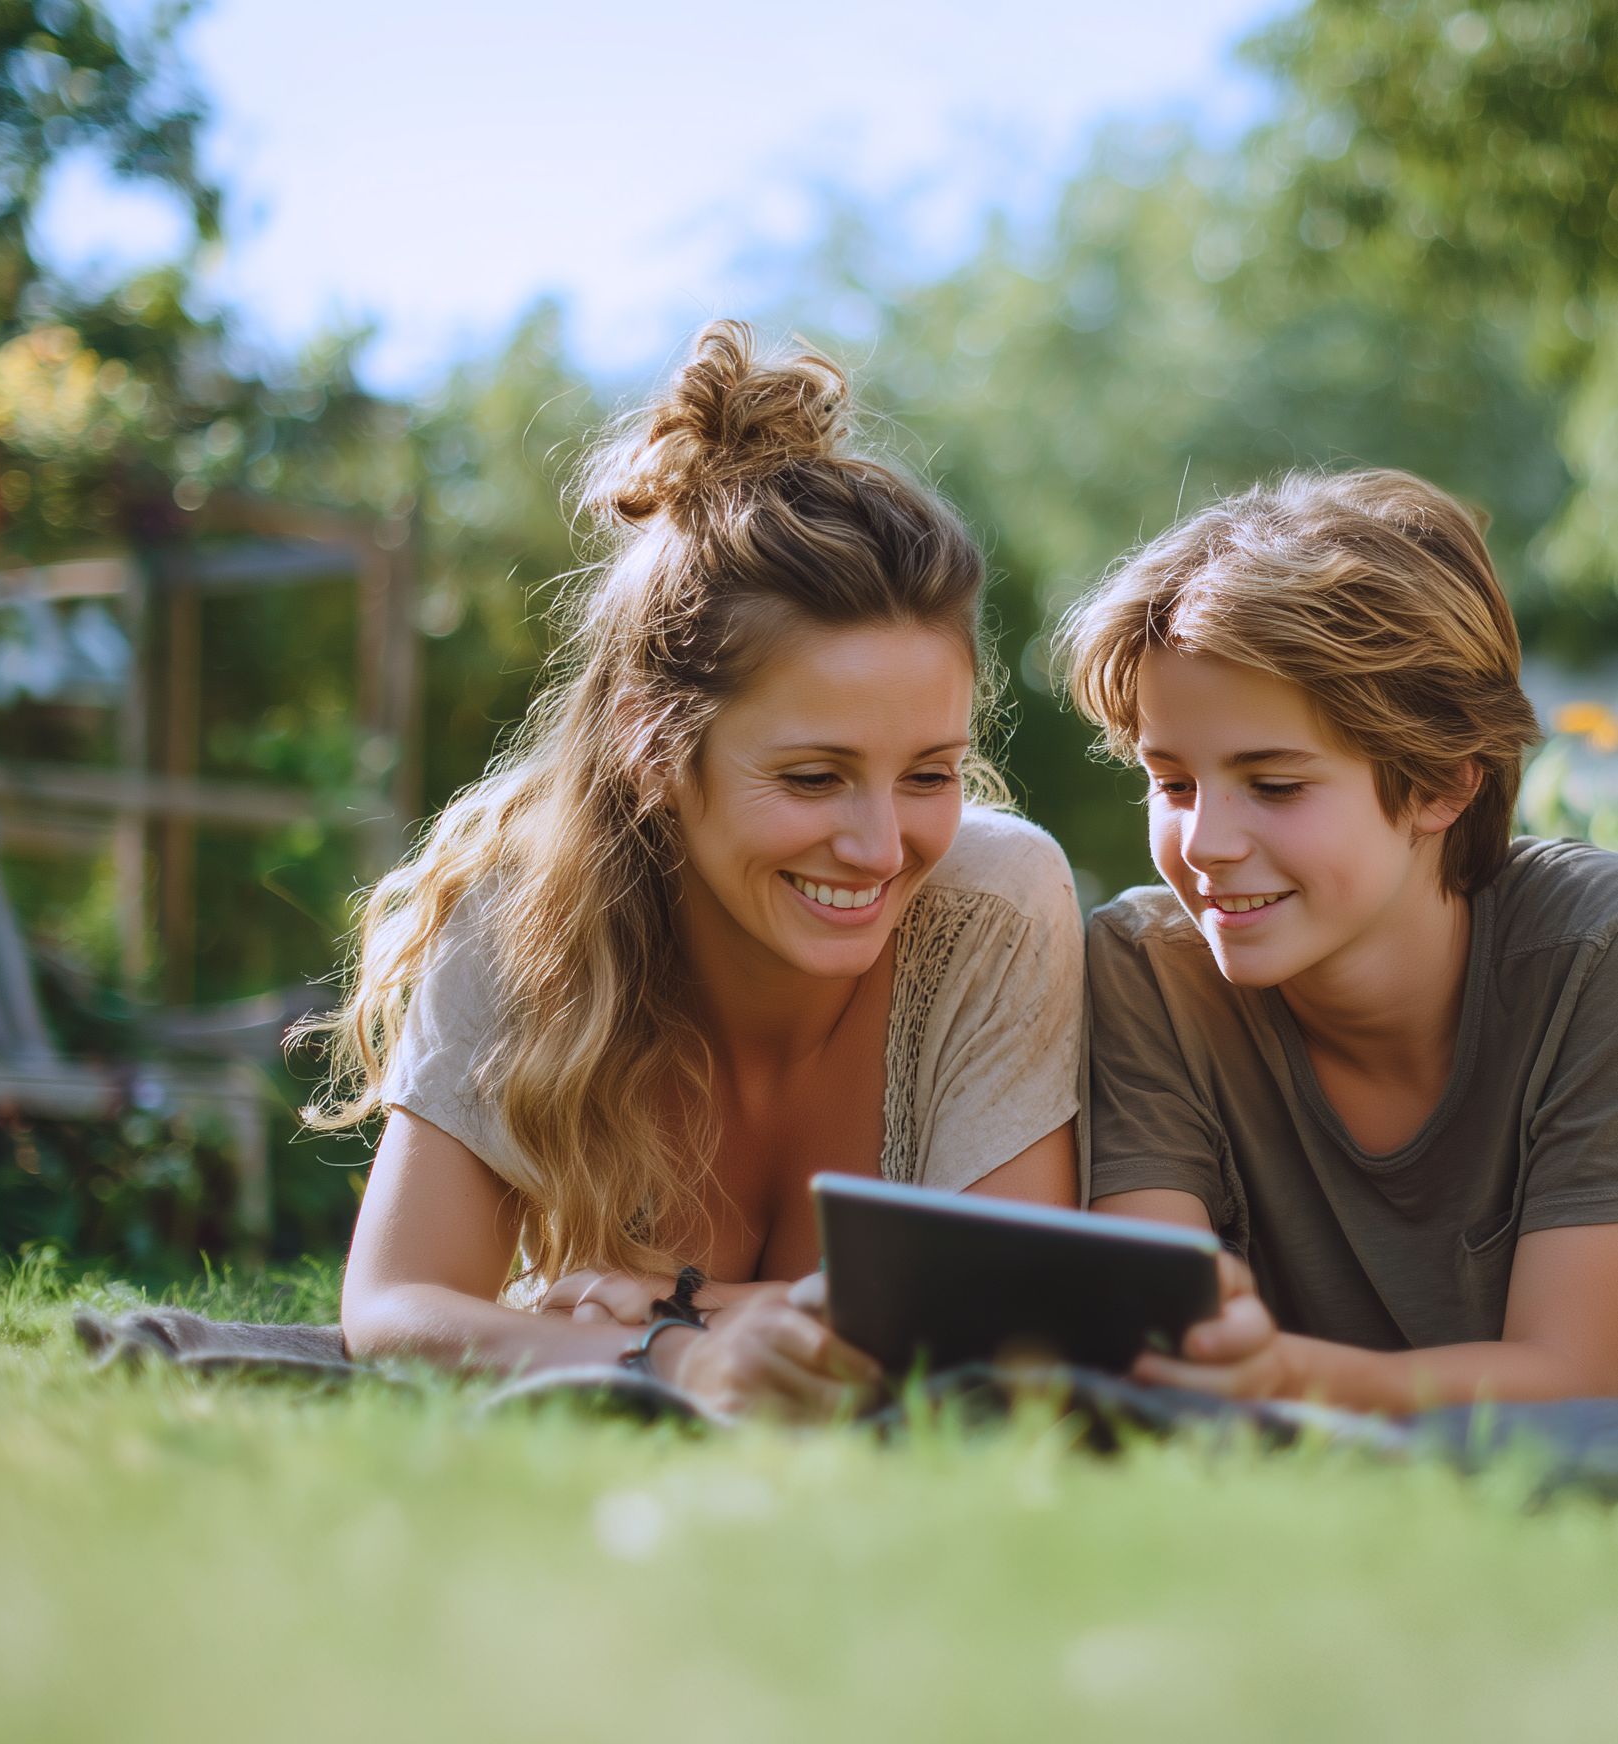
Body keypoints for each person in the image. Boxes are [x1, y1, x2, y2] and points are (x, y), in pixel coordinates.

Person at [307, 321, 1084, 1419]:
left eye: (928, 773)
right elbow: (394, 1308)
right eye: (814, 778)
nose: (879, 846)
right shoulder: (527, 907)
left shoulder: (996, 904)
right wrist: (671, 1361)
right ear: (652, 743)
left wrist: (676, 1302)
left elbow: (1014, 1327)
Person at [1058, 467, 1618, 1412]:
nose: (1204, 847)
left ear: (1442, 784)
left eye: (1273, 785)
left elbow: (1580, 1382)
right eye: (1173, 783)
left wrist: (1283, 1375)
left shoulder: (1588, 959)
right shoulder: (1150, 974)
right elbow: (1153, 1339)